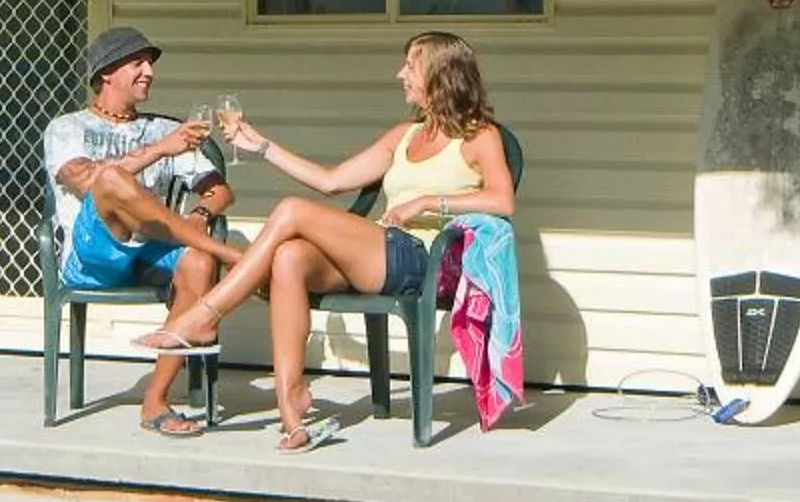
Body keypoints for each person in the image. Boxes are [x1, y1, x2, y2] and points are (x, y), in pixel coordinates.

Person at [138, 31, 516, 452]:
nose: (400, 74)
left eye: (411, 65)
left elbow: (502, 200)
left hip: (424, 261)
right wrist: (260, 146)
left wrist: (429, 201)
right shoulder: (404, 135)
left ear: (441, 73)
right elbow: (331, 181)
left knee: (292, 211)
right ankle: (291, 407)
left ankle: (207, 315)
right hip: (383, 251)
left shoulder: (480, 136)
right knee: (289, 257)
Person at [44, 25, 241, 438]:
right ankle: (234, 258)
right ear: (107, 74)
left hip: (152, 254)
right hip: (93, 257)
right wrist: (159, 151)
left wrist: (200, 214)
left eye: (149, 63)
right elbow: (87, 183)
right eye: (137, 63)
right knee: (113, 183)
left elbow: (220, 191)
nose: (149, 71)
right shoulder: (68, 128)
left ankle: (156, 401)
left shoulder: (161, 128)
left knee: (199, 261)